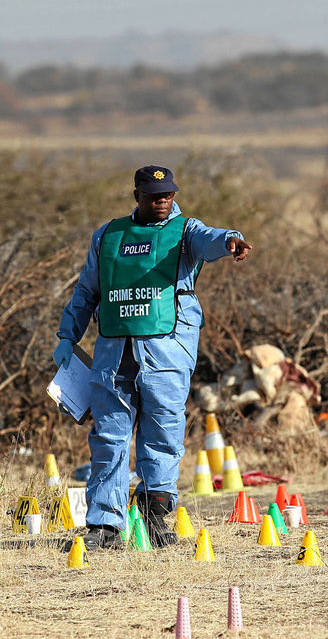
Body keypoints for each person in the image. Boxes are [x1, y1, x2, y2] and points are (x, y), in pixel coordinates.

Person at [53, 165, 251, 549]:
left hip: (167, 354)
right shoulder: (108, 236)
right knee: (108, 438)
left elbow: (211, 239)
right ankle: (105, 528)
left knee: (163, 436)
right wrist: (67, 336)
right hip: (113, 355)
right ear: (136, 197)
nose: (162, 201)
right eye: (153, 195)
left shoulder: (185, 232)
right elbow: (86, 291)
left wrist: (230, 240)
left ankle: (156, 521)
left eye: (168, 194)